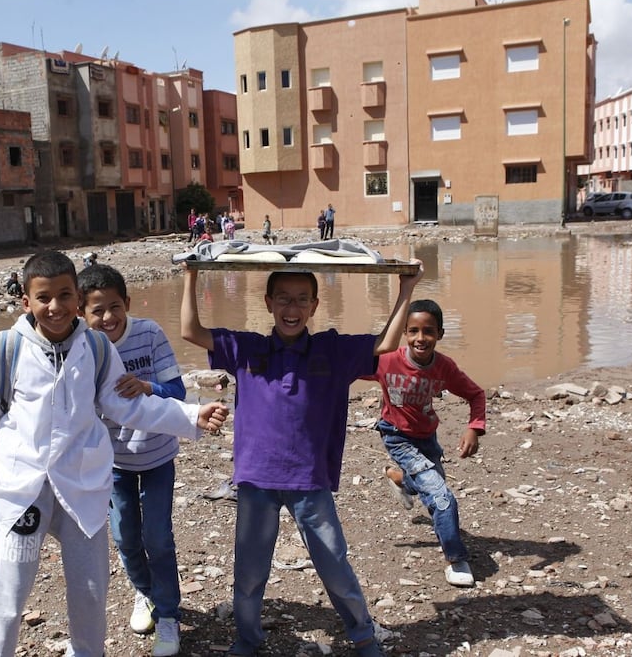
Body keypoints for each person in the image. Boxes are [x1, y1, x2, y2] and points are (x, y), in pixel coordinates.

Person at [0, 250, 228, 657]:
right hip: (23, 490)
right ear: (26, 301)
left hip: (83, 486)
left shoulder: (96, 348)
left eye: (64, 295)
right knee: (8, 594)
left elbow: (127, 405)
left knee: (90, 594)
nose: (55, 307)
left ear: (77, 298)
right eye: (43, 297)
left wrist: (190, 415)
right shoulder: (7, 348)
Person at [180, 260, 423, 657]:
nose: (291, 309)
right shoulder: (247, 348)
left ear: (313, 306)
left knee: (334, 565)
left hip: (310, 481)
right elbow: (191, 330)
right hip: (256, 480)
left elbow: (386, 344)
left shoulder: (333, 350)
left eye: (301, 301)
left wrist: (406, 288)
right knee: (250, 570)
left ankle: (363, 635)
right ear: (268, 303)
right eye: (283, 300)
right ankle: (248, 638)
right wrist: (192, 275)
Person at [78, 263, 187, 656]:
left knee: (157, 538)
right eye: (96, 310)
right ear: (81, 312)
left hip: (157, 456)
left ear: (126, 303)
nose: (107, 317)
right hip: (114, 462)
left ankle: (170, 615)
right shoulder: (82, 347)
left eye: (114, 307)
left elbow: (177, 391)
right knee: (125, 537)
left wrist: (147, 387)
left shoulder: (150, 334)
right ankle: (145, 593)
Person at [363, 299, 486, 588]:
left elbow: (476, 394)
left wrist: (474, 429)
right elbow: (341, 369)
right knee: (441, 496)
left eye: (428, 331)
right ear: (404, 333)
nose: (421, 338)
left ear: (440, 334)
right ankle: (456, 559)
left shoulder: (444, 367)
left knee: (427, 481)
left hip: (427, 437)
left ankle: (399, 480)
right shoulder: (387, 359)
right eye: (414, 331)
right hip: (396, 435)